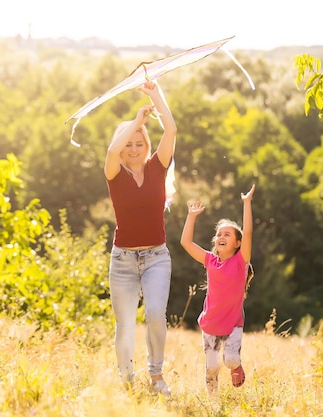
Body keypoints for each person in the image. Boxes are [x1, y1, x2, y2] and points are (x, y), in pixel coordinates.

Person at [104, 79, 177, 396]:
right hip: (122, 260)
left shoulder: (158, 167)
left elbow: (171, 130)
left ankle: (157, 375)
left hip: (156, 257)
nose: (133, 149)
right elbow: (111, 149)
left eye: (139, 143)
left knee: (155, 314)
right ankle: (126, 379)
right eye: (128, 144)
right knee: (124, 326)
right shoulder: (114, 174)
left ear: (147, 145)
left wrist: (155, 95)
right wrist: (136, 121)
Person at [180, 184, 255, 394]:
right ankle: (213, 404)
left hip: (233, 323)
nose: (221, 237)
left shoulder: (241, 262)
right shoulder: (210, 260)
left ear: (238, 243)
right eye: (219, 234)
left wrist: (247, 203)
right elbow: (185, 242)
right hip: (210, 322)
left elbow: (248, 232)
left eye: (228, 235)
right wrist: (191, 216)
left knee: (230, 360)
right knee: (212, 367)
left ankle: (236, 367)